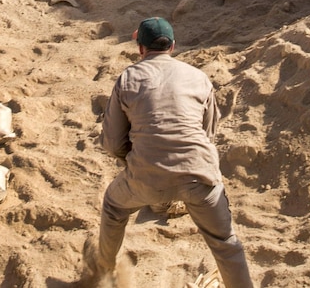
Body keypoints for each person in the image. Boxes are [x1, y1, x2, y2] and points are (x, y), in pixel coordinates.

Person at [84, 17, 253, 287]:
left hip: (146, 178)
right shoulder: (199, 77)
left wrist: (136, 160)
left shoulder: (128, 77)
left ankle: (105, 274)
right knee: (227, 244)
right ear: (173, 46)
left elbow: (112, 142)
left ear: (140, 48)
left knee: (114, 206)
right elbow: (208, 134)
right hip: (200, 178)